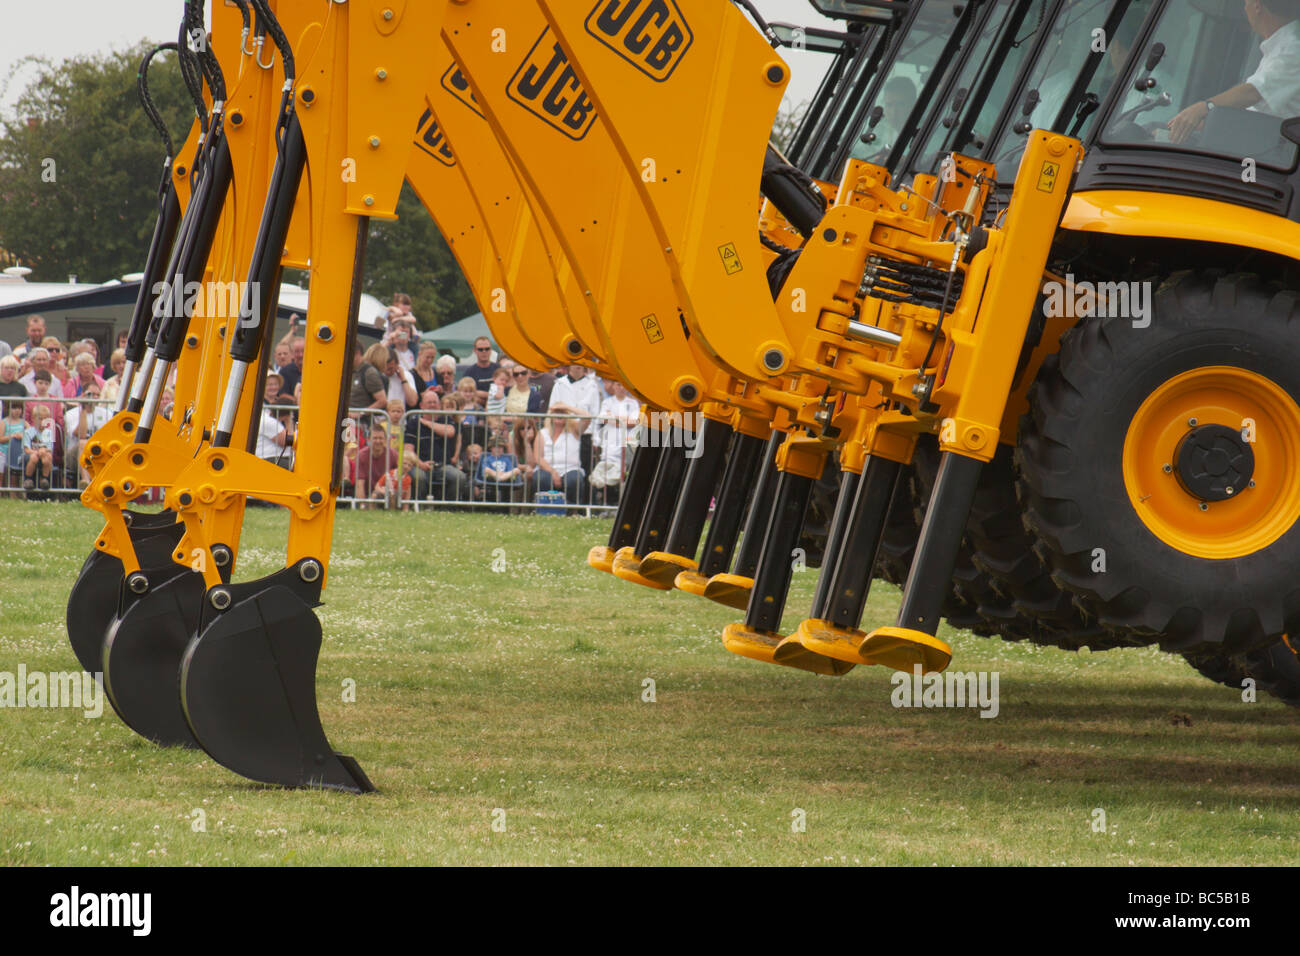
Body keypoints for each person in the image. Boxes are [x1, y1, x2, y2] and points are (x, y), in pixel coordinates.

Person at [1168, 0, 1300, 143]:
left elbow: (1253, 93)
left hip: (1267, 151)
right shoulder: (1280, 46)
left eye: (1245, 2)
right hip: (1253, 139)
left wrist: (1204, 108)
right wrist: (1209, 122)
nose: (1244, 8)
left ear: (1257, 5)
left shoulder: (1292, 49)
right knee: (1159, 133)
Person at [404, 388, 468, 502]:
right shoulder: (413, 422)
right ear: (421, 405)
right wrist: (421, 464)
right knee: (419, 477)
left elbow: (450, 432)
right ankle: (420, 505)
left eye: (435, 402)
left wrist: (428, 423)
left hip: (442, 465)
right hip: (419, 464)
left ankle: (447, 507)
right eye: (429, 402)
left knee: (460, 477)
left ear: (439, 405)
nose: (432, 405)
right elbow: (409, 450)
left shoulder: (445, 419)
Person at [590, 380, 640, 504]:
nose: (621, 387)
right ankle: (608, 504)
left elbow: (634, 421)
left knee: (625, 475)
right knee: (607, 475)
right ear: (613, 386)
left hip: (626, 444)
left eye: (624, 385)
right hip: (610, 445)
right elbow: (604, 418)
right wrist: (622, 421)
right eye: (618, 384)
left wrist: (615, 419)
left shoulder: (633, 403)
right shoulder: (607, 402)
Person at [547, 364, 601, 477]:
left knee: (586, 471)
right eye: (575, 362)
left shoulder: (592, 385)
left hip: (585, 434)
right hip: (564, 433)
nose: (578, 365)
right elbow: (552, 408)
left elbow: (595, 413)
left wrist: (596, 439)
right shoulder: (559, 384)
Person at [534, 415, 586, 510]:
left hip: (571, 468)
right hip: (546, 468)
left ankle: (572, 511)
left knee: (574, 480)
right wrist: (553, 472)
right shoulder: (542, 433)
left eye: (562, 412)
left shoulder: (574, 431)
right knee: (541, 478)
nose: (559, 414)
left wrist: (567, 408)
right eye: (556, 412)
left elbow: (587, 417)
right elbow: (538, 457)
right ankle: (544, 510)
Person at [65, 383, 111, 486]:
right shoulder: (71, 414)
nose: (94, 398)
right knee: (83, 443)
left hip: (99, 453)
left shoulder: (107, 414)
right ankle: (86, 481)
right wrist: (84, 409)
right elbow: (81, 434)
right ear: (83, 395)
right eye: (90, 394)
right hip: (75, 456)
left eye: (97, 395)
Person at [256, 371, 295, 468]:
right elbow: (288, 441)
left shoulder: (282, 401)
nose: (273, 387)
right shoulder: (265, 416)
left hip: (277, 456)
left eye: (275, 384)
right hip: (272, 458)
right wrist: (288, 421)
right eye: (269, 384)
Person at [356, 419, 398, 505]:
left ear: (386, 439)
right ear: (368, 439)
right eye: (375, 438)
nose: (378, 441)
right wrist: (362, 505)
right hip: (368, 494)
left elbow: (399, 477)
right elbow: (360, 483)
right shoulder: (361, 455)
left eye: (381, 438)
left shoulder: (393, 454)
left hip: (388, 493)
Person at [22, 406, 57, 491]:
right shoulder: (28, 432)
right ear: (33, 418)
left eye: (45, 419)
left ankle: (44, 479)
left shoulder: (49, 433)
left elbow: (50, 448)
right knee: (34, 457)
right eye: (40, 419)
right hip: (29, 456)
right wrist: (37, 452)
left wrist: (43, 451)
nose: (42, 422)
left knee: (48, 457)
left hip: (43, 455)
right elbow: (26, 449)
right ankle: (28, 479)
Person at [456, 336, 499, 402]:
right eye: (480, 349)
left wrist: (480, 393)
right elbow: (463, 393)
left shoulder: (498, 369)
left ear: (491, 350)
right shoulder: (469, 372)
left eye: (487, 349)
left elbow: (504, 391)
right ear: (475, 351)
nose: (484, 352)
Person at [350, 343, 389, 412]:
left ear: (357, 353)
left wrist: (360, 414)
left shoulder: (369, 373)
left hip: (361, 420)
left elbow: (382, 401)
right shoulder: (352, 370)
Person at [277, 334, 306, 402]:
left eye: (303, 351)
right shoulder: (284, 372)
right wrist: (299, 401)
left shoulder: (315, 370)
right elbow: (283, 395)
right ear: (292, 353)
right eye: (297, 351)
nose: (300, 355)